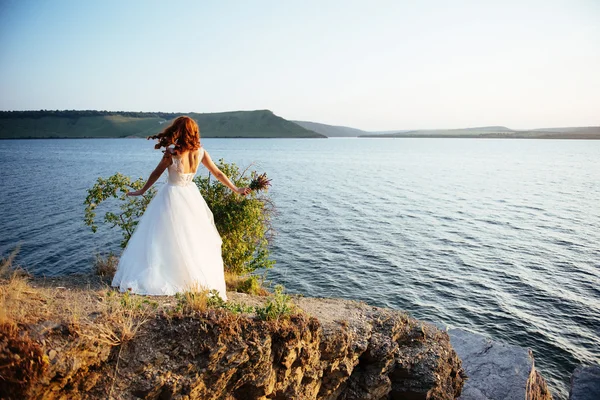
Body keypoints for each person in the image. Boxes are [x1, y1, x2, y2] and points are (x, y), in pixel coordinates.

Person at [111, 116, 250, 299]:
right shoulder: (200, 151)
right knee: (191, 238)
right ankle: (190, 279)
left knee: (162, 237)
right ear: (193, 132)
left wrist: (142, 190)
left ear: (178, 131)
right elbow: (217, 172)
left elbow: (156, 173)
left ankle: (168, 276)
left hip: (172, 195)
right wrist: (236, 189)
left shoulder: (172, 153)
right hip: (191, 196)